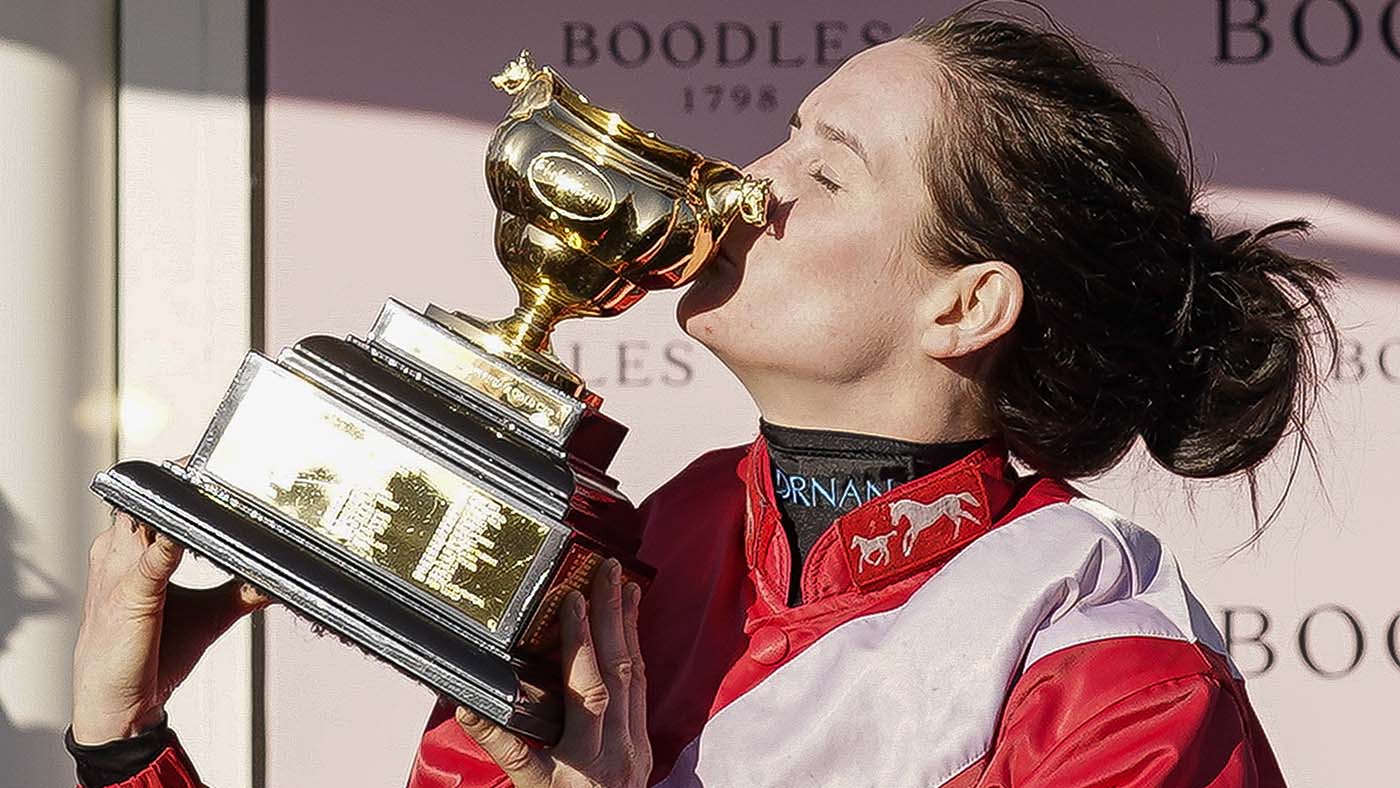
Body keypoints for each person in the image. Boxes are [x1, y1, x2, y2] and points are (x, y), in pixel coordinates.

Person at [67, 3, 1338, 786]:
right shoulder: (617, 559)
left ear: (964, 306)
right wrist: (126, 745)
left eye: (825, 174)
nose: (746, 183)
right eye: (784, 133)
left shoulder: (1117, 679)